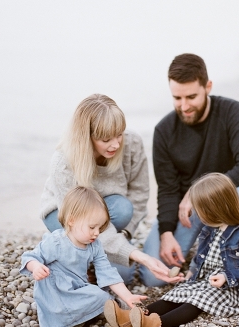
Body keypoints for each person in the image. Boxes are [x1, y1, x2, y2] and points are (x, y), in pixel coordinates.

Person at [142, 53, 239, 287]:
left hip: (223, 202)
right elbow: (167, 190)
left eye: (191, 96)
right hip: (187, 214)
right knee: (152, 279)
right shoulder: (163, 131)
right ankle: (197, 245)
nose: (184, 106)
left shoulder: (231, 112)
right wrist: (166, 233)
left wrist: (198, 191)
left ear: (207, 87)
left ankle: (229, 247)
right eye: (177, 98)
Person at [105, 173, 239, 327]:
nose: (198, 215)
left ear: (217, 208)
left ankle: (152, 324)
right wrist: (192, 273)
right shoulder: (210, 228)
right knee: (177, 294)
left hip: (233, 288)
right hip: (206, 280)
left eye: (201, 211)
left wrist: (226, 277)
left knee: (197, 301)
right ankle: (130, 319)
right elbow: (201, 256)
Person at [40, 94, 181, 285]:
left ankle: (97, 250)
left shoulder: (132, 143)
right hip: (65, 214)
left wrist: (123, 238)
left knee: (125, 274)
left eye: (119, 134)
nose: (115, 144)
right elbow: (80, 218)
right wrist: (140, 256)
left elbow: (139, 195)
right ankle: (69, 248)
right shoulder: (63, 161)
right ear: (87, 137)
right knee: (86, 261)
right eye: (106, 139)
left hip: (111, 211)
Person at [22, 187, 147, 327]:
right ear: (72, 221)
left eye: (100, 228)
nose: (96, 233)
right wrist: (36, 267)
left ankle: (92, 316)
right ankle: (76, 319)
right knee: (100, 298)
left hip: (78, 291)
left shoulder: (94, 245)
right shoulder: (57, 241)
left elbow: (107, 272)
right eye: (92, 227)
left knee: (102, 296)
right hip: (57, 297)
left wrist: (127, 296)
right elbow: (29, 257)